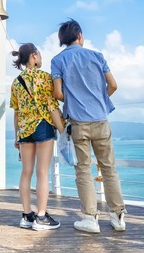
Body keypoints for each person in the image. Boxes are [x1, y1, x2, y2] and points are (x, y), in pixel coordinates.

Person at [51, 19, 126, 234]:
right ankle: (118, 216)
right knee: (109, 168)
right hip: (101, 120)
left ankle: (90, 219)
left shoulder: (58, 61)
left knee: (83, 170)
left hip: (78, 123)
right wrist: (99, 101)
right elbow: (113, 85)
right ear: (80, 36)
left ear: (62, 40)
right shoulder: (97, 56)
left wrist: (74, 100)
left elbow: (57, 93)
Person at [10, 43, 65, 230]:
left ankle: (27, 215)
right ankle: (41, 217)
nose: (40, 57)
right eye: (39, 54)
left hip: (24, 130)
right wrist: (63, 130)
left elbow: (16, 112)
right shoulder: (45, 78)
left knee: (26, 172)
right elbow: (52, 107)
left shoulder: (16, 82)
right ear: (33, 56)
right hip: (43, 127)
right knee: (42, 172)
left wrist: (16, 136)